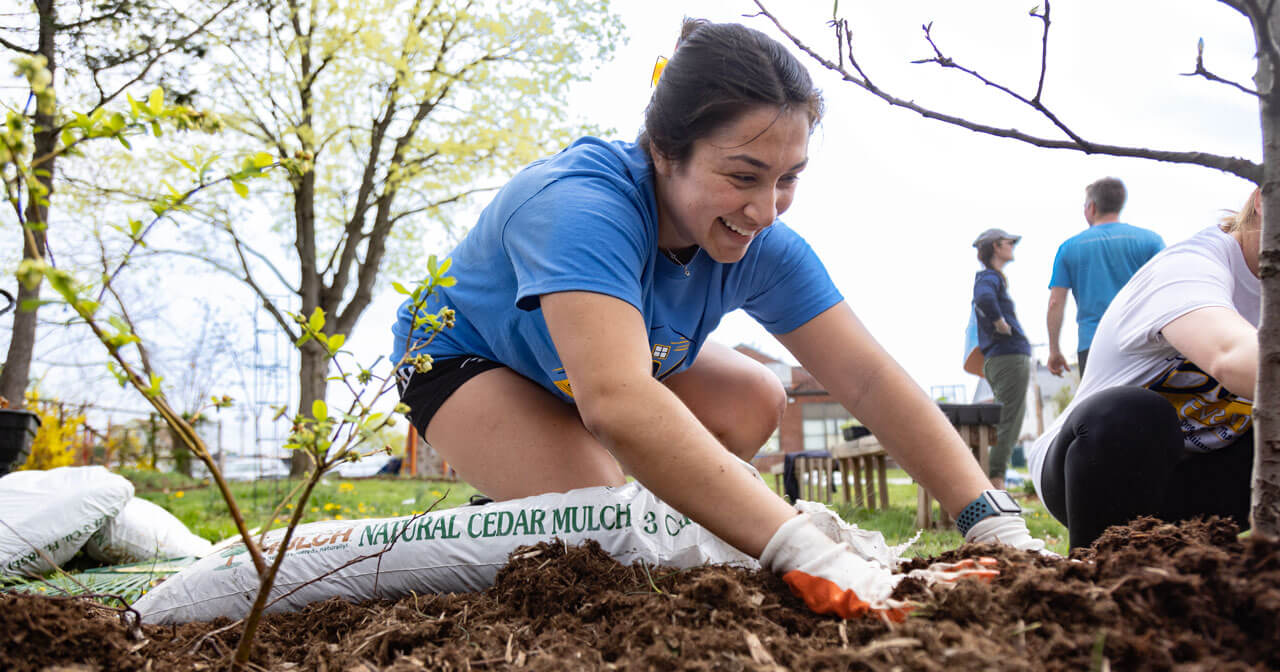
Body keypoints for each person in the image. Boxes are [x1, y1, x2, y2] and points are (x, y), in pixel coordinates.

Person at [392, 20, 1047, 621]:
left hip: (607, 363)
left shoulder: (760, 243)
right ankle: (533, 494)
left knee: (756, 395)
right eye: (744, 176)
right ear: (664, 150)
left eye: (789, 177)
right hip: (466, 358)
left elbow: (869, 378)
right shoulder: (578, 207)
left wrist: (993, 523)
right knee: (601, 522)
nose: (765, 210)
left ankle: (577, 486)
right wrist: (803, 550)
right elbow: (618, 400)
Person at [1029, 189, 1260, 549]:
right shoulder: (1187, 264)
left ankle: (1212, 565)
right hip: (1093, 467)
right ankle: (1096, 576)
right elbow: (1230, 355)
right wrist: (1055, 347)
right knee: (1135, 412)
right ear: (1263, 200)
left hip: (1205, 475)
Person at [1047, 177, 1165, 378]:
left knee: (1101, 408)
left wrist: (1054, 350)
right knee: (1147, 407)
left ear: (1092, 207)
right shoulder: (1151, 240)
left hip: (1093, 345)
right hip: (1142, 341)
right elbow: (1167, 289)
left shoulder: (1069, 248)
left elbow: (1055, 302)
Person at [971, 229, 1032, 488]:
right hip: (1008, 356)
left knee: (1005, 421)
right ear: (996, 247)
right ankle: (995, 485)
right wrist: (1000, 323)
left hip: (1001, 358)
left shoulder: (993, 278)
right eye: (1009, 242)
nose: (1013, 246)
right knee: (1009, 421)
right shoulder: (989, 277)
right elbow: (983, 298)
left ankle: (993, 482)